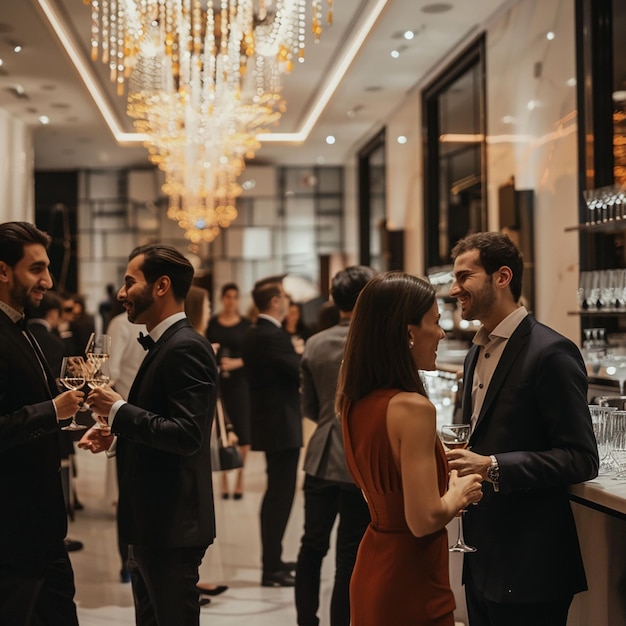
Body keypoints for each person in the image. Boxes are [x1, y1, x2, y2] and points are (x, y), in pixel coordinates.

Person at [446, 232, 599, 626]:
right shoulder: (474, 352)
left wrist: (493, 465)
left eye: (464, 277)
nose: (453, 288)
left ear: (502, 276)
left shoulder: (551, 352)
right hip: (481, 557)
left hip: (531, 563)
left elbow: (580, 458)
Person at [78, 243, 218, 625]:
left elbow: (187, 434)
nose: (122, 293)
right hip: (153, 521)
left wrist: (118, 409)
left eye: (129, 282)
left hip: (172, 523)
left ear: (161, 286)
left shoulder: (186, 347)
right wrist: (117, 430)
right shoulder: (166, 344)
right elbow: (162, 420)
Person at [336, 271, 483, 626]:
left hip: (373, 562)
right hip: (411, 575)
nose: (442, 332)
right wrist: (459, 492)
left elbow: (387, 479)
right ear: (408, 332)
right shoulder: (412, 408)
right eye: (435, 321)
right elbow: (423, 520)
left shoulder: (353, 400)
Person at [0, 221, 84, 626]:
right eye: (36, 269)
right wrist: (53, 410)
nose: (48, 281)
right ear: (2, 271)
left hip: (43, 524)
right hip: (12, 529)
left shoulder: (21, 325)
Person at [295, 265, 376, 626]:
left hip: (321, 453)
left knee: (311, 545)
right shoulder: (377, 341)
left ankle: (306, 620)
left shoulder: (315, 342)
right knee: (350, 554)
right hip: (360, 457)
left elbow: (308, 406)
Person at [242, 277, 302, 587]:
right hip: (280, 424)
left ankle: (274, 561)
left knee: (277, 494)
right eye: (286, 297)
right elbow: (299, 370)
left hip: (271, 422)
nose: (290, 302)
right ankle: (272, 568)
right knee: (280, 496)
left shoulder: (256, 332)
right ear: (275, 302)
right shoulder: (272, 334)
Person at [206, 282, 251, 499]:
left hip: (240, 383)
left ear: (238, 299)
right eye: (227, 296)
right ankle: (224, 479)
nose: (231, 301)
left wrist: (237, 363)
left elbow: (253, 355)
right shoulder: (213, 323)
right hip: (218, 382)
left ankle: (240, 479)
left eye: (235, 296)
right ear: (222, 299)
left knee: (243, 433)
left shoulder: (246, 325)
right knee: (221, 430)